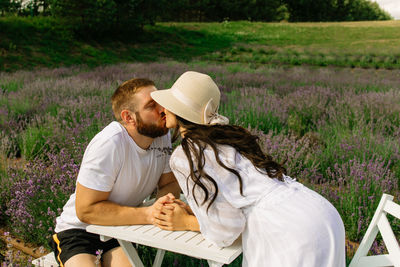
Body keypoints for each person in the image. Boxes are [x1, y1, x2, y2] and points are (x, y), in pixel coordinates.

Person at [150, 71, 346, 267]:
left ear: (180, 110)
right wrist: (197, 211)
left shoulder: (187, 155)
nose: (164, 108)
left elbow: (226, 231)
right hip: (319, 212)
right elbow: (236, 195)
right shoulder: (225, 137)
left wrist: (185, 222)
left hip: (288, 231)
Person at [52, 78, 180, 267]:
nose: (162, 109)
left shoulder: (161, 135)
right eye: (151, 105)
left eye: (160, 101)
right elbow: (86, 210)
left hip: (118, 229)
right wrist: (148, 215)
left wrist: (162, 206)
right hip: (79, 232)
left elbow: (169, 183)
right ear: (129, 117)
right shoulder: (110, 143)